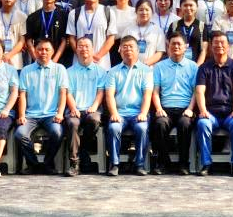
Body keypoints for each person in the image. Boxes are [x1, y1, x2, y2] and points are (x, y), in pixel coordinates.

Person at [194, 31, 233, 176]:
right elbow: (199, 91)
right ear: (211, 46)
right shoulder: (204, 67)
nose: (219, 45)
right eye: (216, 43)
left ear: (228, 45)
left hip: (230, 113)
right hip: (211, 113)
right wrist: (203, 110)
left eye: (222, 42)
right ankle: (206, 164)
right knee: (202, 123)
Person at [16, 37, 70, 175]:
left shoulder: (60, 69)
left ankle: (47, 163)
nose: (43, 52)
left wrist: (60, 113)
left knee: (57, 132)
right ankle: (33, 164)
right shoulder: (26, 70)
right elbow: (22, 95)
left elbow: (63, 93)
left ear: (52, 51)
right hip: (31, 115)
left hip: (51, 115)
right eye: (40, 49)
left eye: (47, 49)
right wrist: (22, 115)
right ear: (35, 50)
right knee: (20, 134)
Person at [150, 32, 199, 175]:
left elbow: (196, 92)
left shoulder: (193, 67)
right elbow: (155, 91)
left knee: (185, 124)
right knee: (160, 124)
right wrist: (158, 108)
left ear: (185, 47)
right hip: (166, 108)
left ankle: (183, 163)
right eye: (173, 44)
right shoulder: (159, 66)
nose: (176, 46)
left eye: (179, 44)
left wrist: (190, 109)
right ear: (168, 46)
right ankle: (163, 163)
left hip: (186, 108)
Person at [103, 36, 153, 176]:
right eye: (124, 47)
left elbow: (147, 95)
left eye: (131, 46)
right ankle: (114, 164)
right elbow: (109, 95)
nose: (128, 49)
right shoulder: (113, 71)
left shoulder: (146, 71)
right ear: (119, 50)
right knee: (113, 128)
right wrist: (114, 113)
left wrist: (143, 113)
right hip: (120, 113)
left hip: (138, 113)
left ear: (138, 50)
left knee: (142, 128)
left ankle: (140, 164)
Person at [64, 37, 105, 177]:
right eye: (80, 46)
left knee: (94, 120)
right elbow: (68, 93)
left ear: (92, 49)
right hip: (74, 109)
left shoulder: (100, 71)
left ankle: (82, 150)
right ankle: (74, 163)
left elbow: (100, 92)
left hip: (92, 109)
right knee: (72, 123)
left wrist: (94, 106)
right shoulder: (69, 71)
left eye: (87, 46)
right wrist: (73, 108)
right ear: (76, 50)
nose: (83, 49)